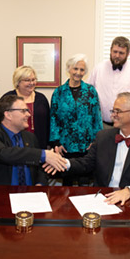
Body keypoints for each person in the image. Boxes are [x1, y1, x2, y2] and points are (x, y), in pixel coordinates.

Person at [46, 92, 130, 205]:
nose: (113, 115)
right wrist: (61, 162)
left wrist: (129, 191)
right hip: (101, 199)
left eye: (118, 111)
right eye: (113, 111)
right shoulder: (103, 136)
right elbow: (86, 163)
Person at [0, 95, 66, 185]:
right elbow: (3, 153)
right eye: (23, 111)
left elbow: (40, 168)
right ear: (8, 115)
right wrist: (43, 154)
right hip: (3, 195)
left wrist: (40, 183)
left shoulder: (30, 137)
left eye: (27, 111)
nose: (28, 114)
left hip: (30, 194)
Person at [49, 54, 103, 185]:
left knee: (84, 181)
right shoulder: (59, 92)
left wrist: (96, 141)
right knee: (67, 180)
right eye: (75, 69)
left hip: (86, 144)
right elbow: (54, 118)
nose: (78, 73)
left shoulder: (91, 91)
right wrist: (56, 143)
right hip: (66, 144)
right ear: (69, 69)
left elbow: (97, 117)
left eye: (82, 70)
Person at [87, 36, 130, 128]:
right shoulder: (98, 69)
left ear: (128, 54)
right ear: (110, 50)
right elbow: (88, 94)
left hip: (128, 126)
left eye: (121, 53)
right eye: (115, 52)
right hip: (102, 125)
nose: (117, 56)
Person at [2, 66, 50, 149]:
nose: (31, 83)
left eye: (33, 79)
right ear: (18, 82)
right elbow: (0, 122)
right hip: (14, 145)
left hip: (39, 144)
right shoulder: (8, 98)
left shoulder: (41, 98)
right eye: (27, 80)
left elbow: (48, 123)